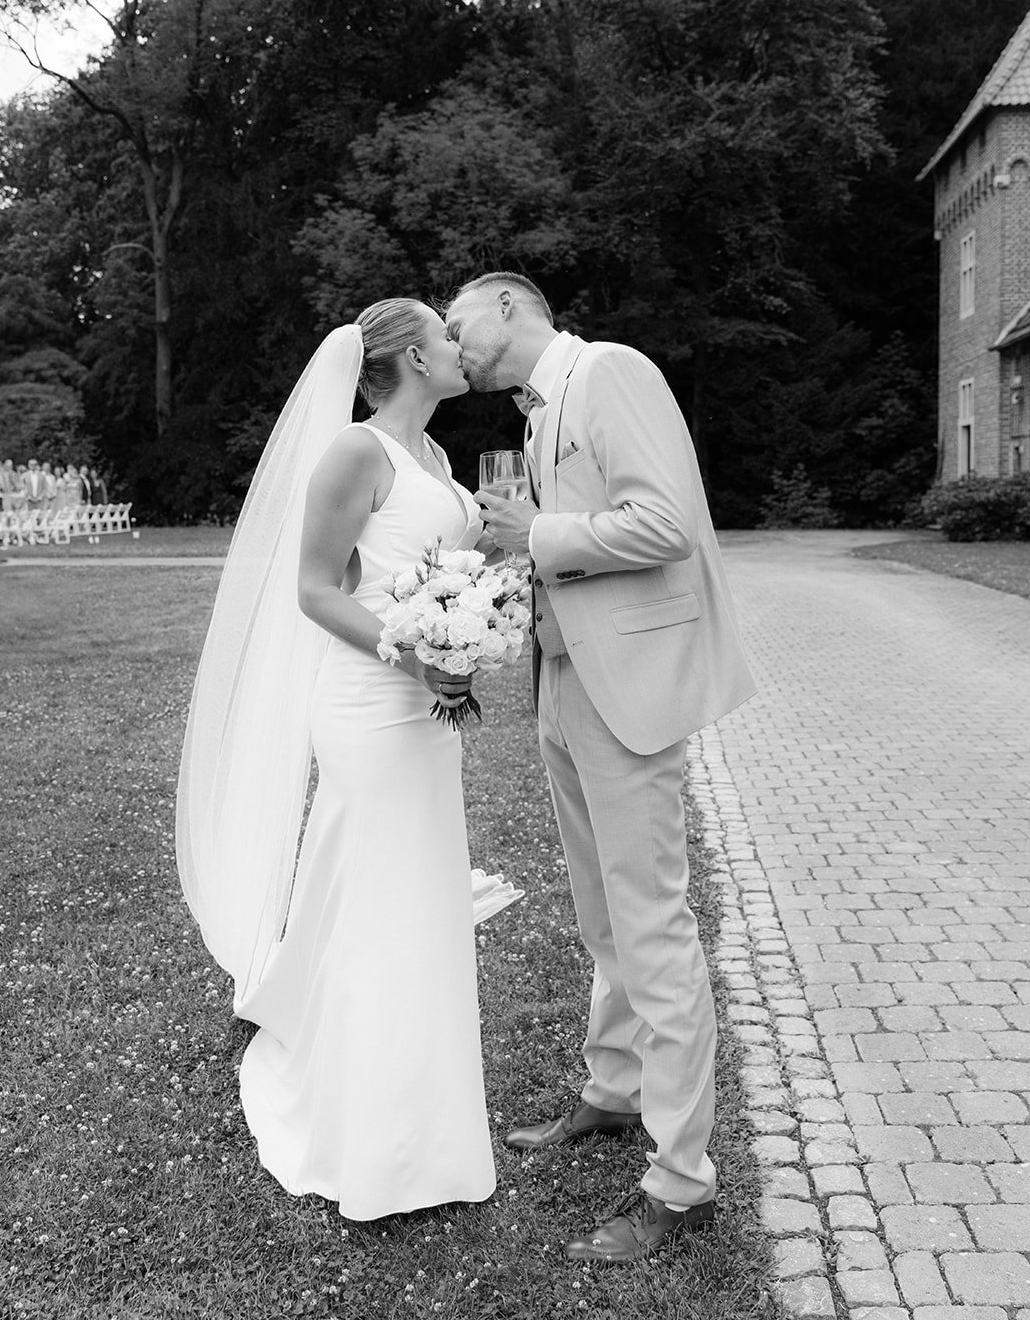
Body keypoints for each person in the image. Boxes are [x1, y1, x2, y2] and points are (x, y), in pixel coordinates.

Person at [445, 272, 756, 1264]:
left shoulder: (610, 371)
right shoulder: (537, 416)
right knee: (601, 918)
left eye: (458, 326)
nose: (454, 349)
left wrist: (531, 533)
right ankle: (613, 1095)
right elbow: (574, 540)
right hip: (564, 687)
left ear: (506, 305)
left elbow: (665, 522)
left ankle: (680, 1184)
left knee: (652, 925)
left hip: (626, 692)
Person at [177, 300, 503, 1221]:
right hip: (367, 703)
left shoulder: (435, 458)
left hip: (425, 700)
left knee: (418, 894)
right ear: (409, 356)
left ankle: (420, 1104)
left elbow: (435, 572)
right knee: (379, 895)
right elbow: (315, 590)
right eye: (445, 336)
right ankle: (368, 1130)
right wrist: (417, 652)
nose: (458, 346)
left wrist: (474, 626)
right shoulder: (357, 453)